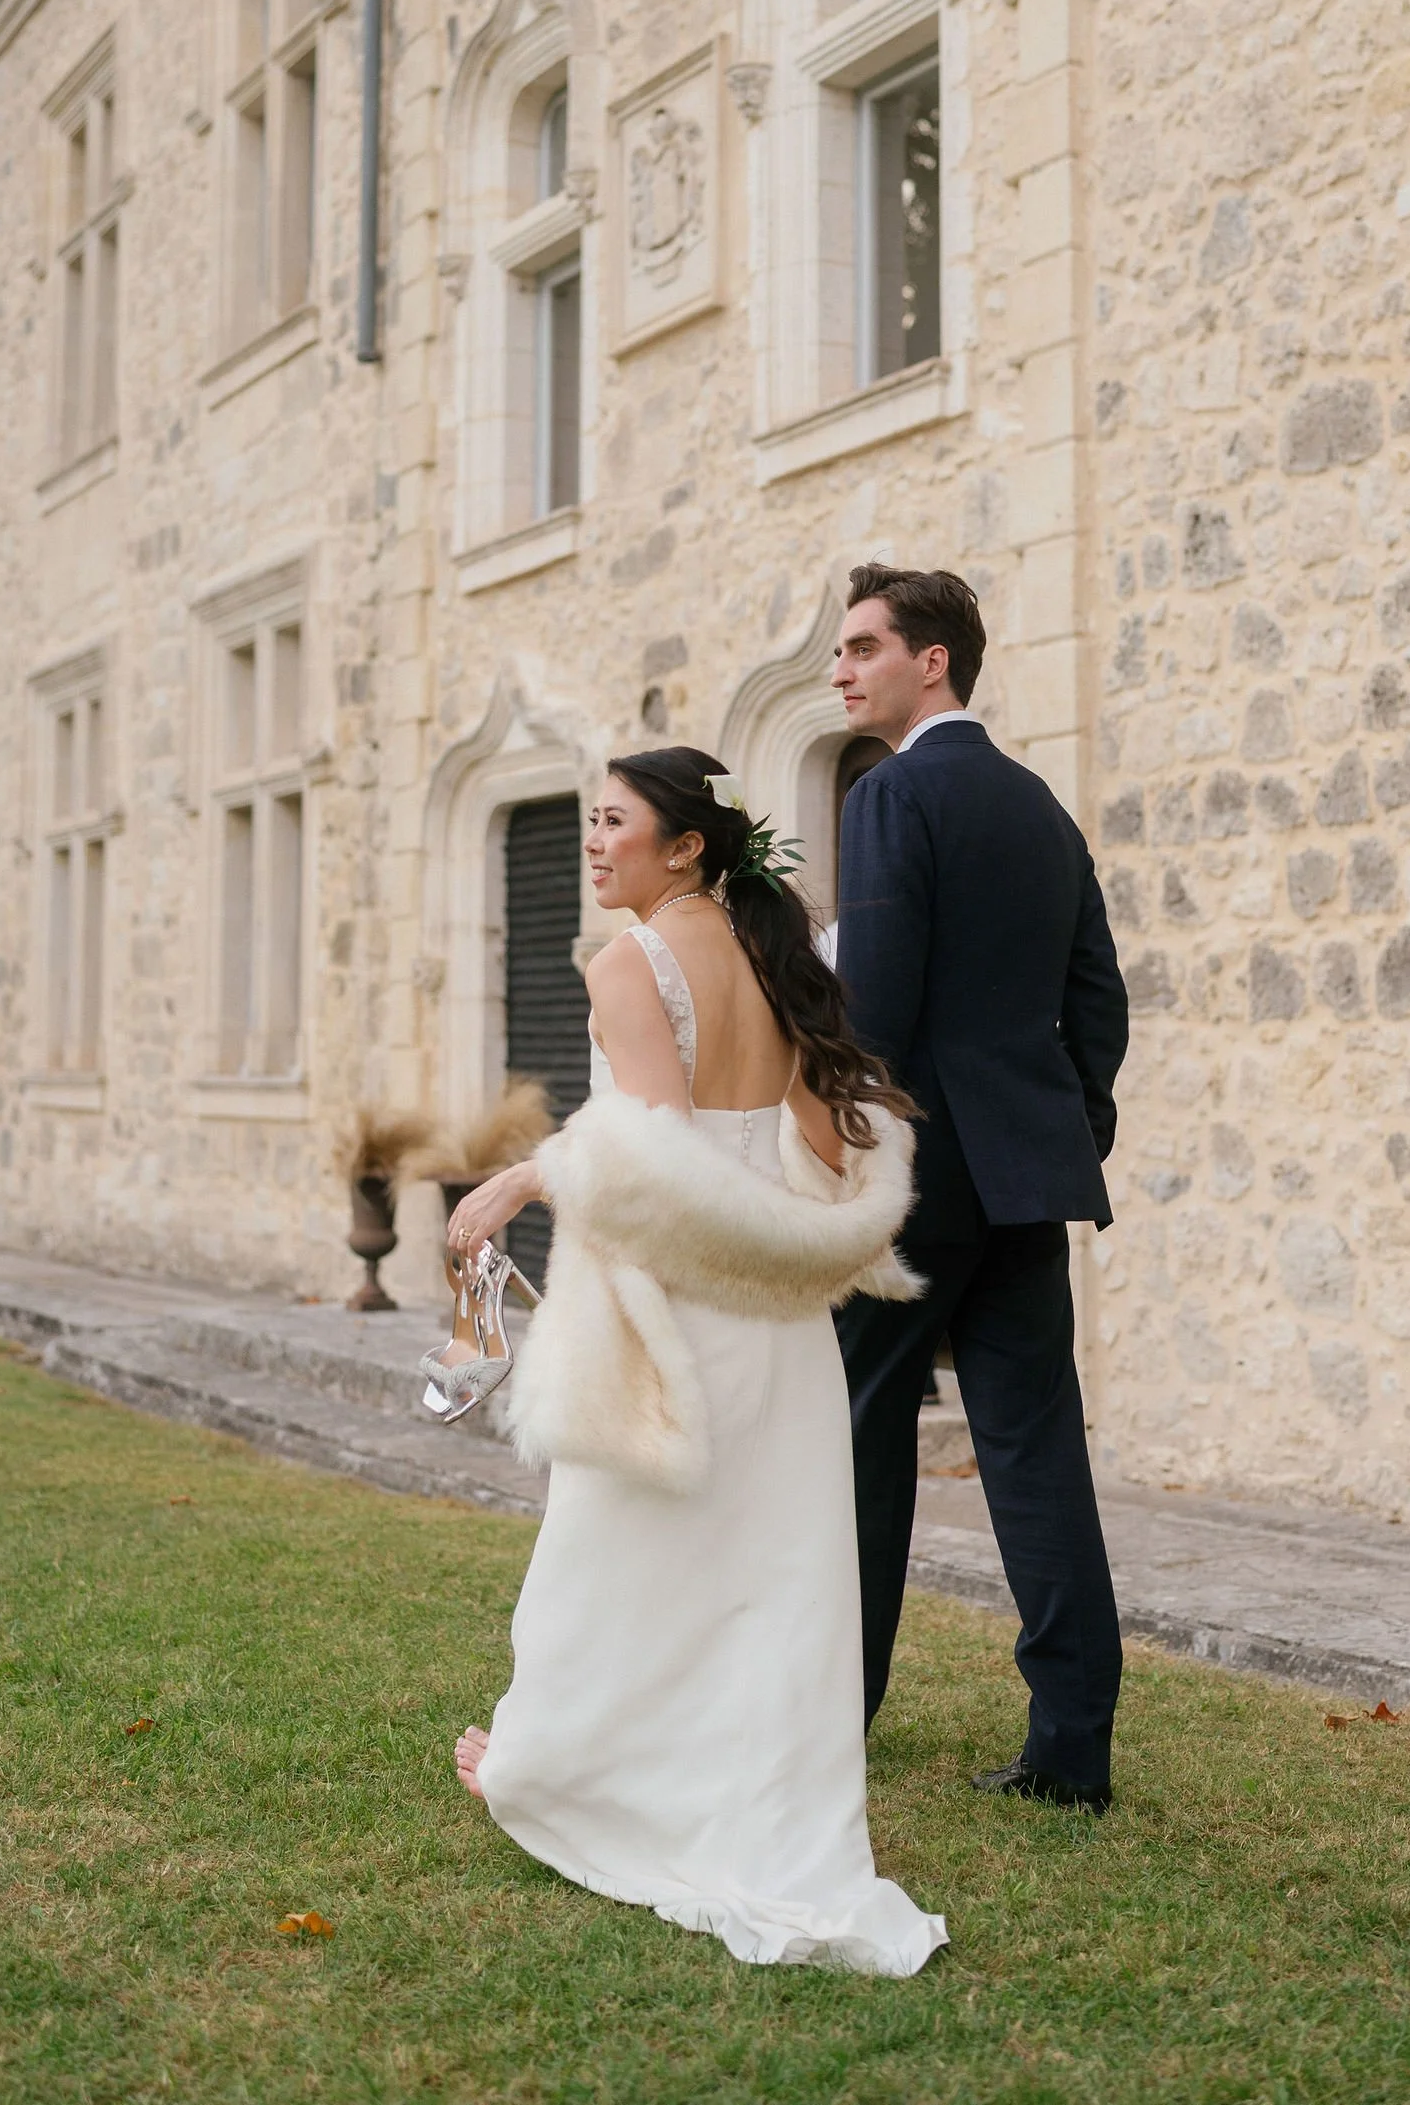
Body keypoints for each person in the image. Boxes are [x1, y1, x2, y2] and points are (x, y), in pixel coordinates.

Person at [447, 744, 947, 1975]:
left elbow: (657, 1152)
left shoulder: (630, 961)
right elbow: (822, 1135)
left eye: (612, 821)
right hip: (778, 1311)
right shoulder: (773, 949)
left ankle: (551, 1765)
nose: (592, 839)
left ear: (683, 846)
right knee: (769, 1570)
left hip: (683, 1299)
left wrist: (529, 1169)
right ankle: (741, 1794)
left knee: (618, 1546)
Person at [831, 564, 1130, 1812]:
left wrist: (849, 1153)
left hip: (914, 1173)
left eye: (860, 646)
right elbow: (1096, 998)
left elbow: (878, 1008)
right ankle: (1071, 1747)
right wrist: (1066, 1129)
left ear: (931, 661)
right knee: (1034, 1447)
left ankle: (829, 1707)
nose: (841, 670)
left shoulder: (892, 793)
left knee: (857, 1435)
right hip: (1024, 1168)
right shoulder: (1039, 804)